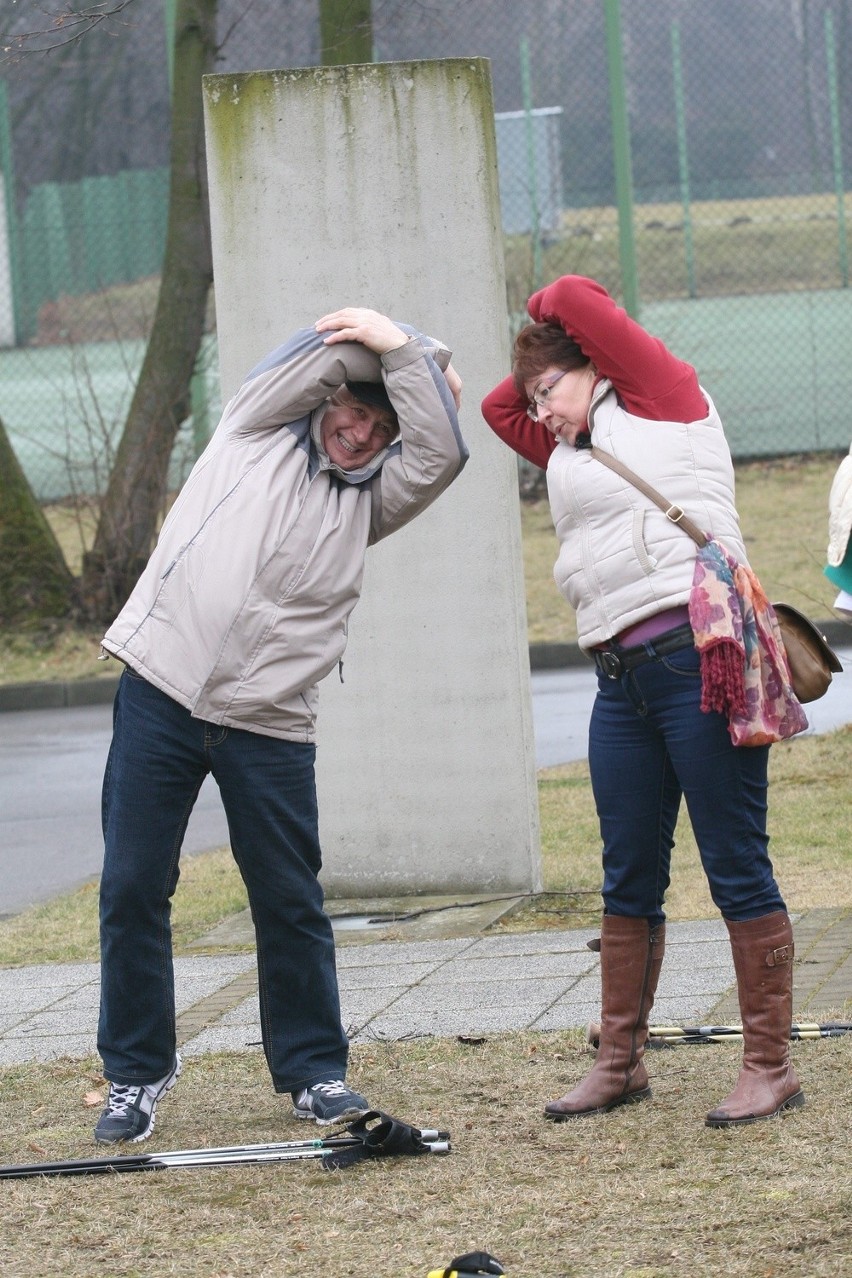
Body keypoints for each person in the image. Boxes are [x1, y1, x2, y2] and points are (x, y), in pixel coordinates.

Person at [94, 307, 467, 1143]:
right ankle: (135, 1074)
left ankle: (313, 1072)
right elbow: (319, 356)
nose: (360, 434)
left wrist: (409, 357)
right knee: (130, 887)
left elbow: (444, 451)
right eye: (352, 413)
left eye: (381, 426)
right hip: (162, 688)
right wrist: (393, 338)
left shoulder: (373, 500)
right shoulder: (252, 429)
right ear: (325, 403)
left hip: (270, 721)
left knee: (290, 900)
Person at [482, 275, 803, 1128]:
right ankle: (619, 1061)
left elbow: (578, 303)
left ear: (596, 366)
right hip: (618, 679)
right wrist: (534, 379)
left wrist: (543, 311)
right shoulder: (570, 447)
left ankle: (768, 1066)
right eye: (537, 402)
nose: (539, 414)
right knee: (627, 869)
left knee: (735, 862)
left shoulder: (666, 398)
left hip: (699, 659)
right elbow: (492, 408)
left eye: (549, 392)